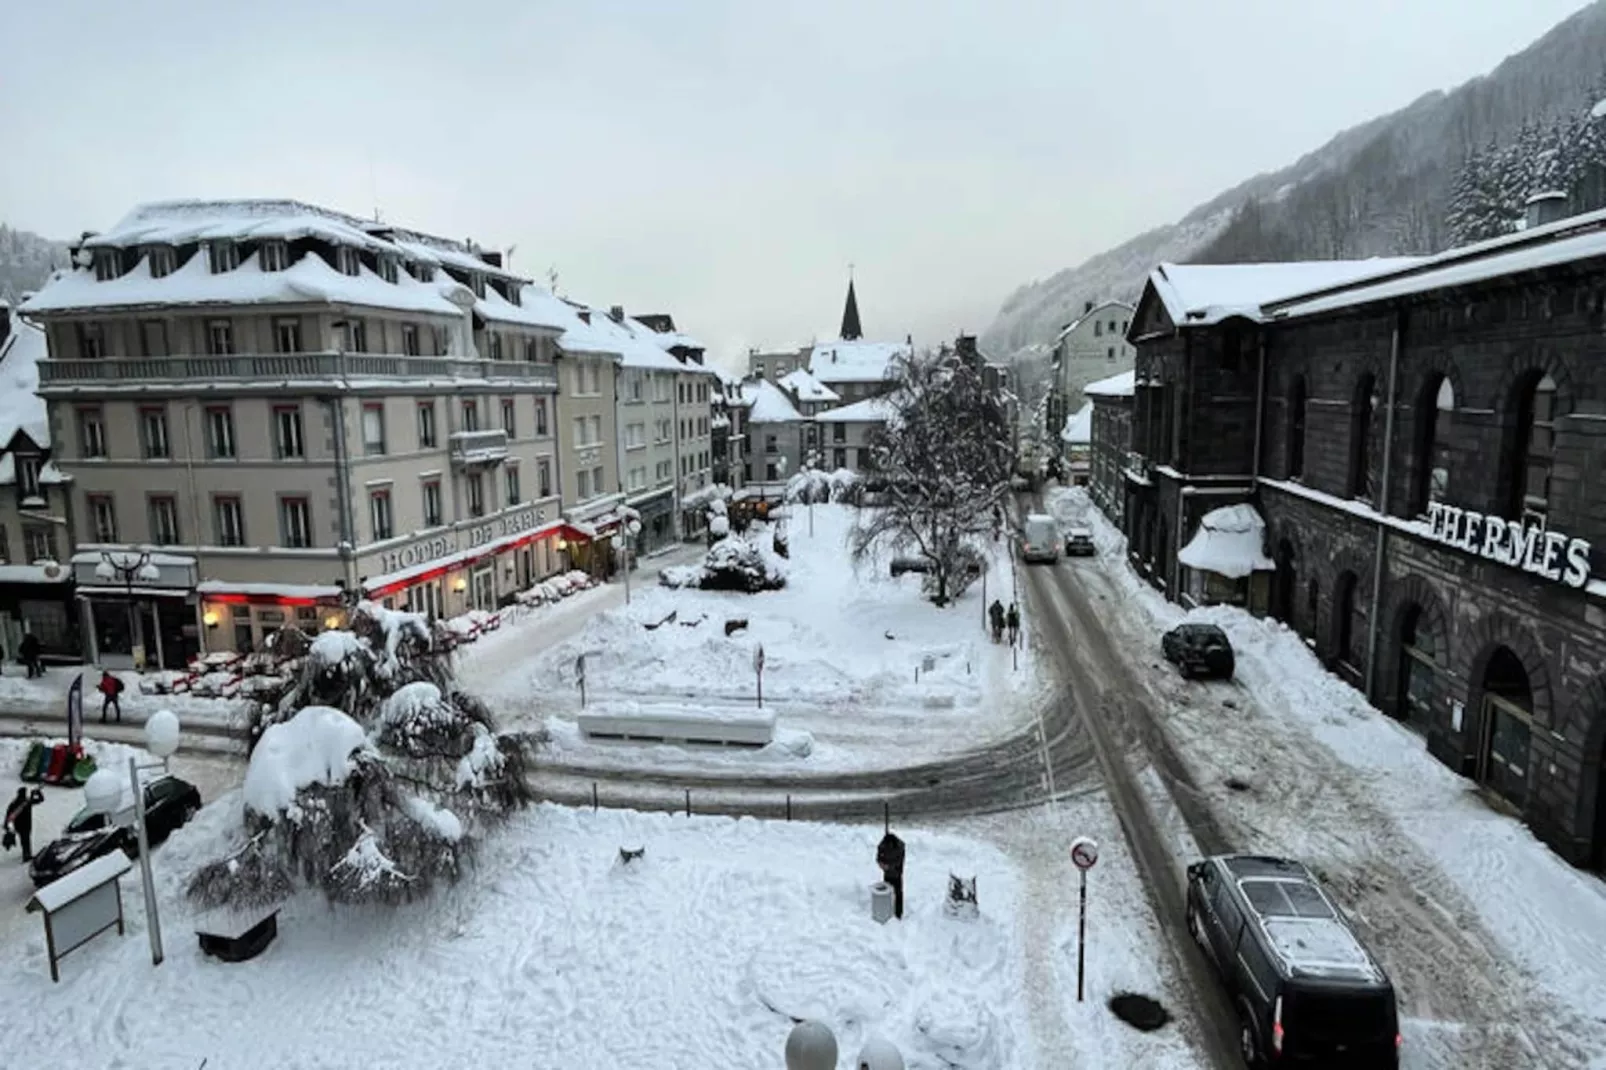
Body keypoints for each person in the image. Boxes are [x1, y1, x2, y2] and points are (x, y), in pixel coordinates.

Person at [5, 786, 45, 862]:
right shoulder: (27, 802)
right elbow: (41, 799)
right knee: (26, 840)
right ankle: (26, 856)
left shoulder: (14, 802)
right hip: (26, 825)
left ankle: (26, 853)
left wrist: (7, 826)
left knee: (24, 840)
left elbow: (9, 814)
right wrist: (37, 792)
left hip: (18, 825)